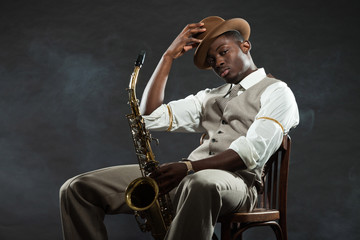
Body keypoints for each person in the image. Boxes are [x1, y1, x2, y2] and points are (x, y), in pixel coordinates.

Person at [59, 16, 299, 240]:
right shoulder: (209, 97)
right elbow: (149, 117)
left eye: (223, 52)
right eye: (212, 61)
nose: (218, 62)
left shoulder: (277, 92)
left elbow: (251, 153)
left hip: (238, 187)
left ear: (245, 46)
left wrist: (188, 168)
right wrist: (168, 57)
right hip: (191, 178)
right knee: (76, 189)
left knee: (201, 183)